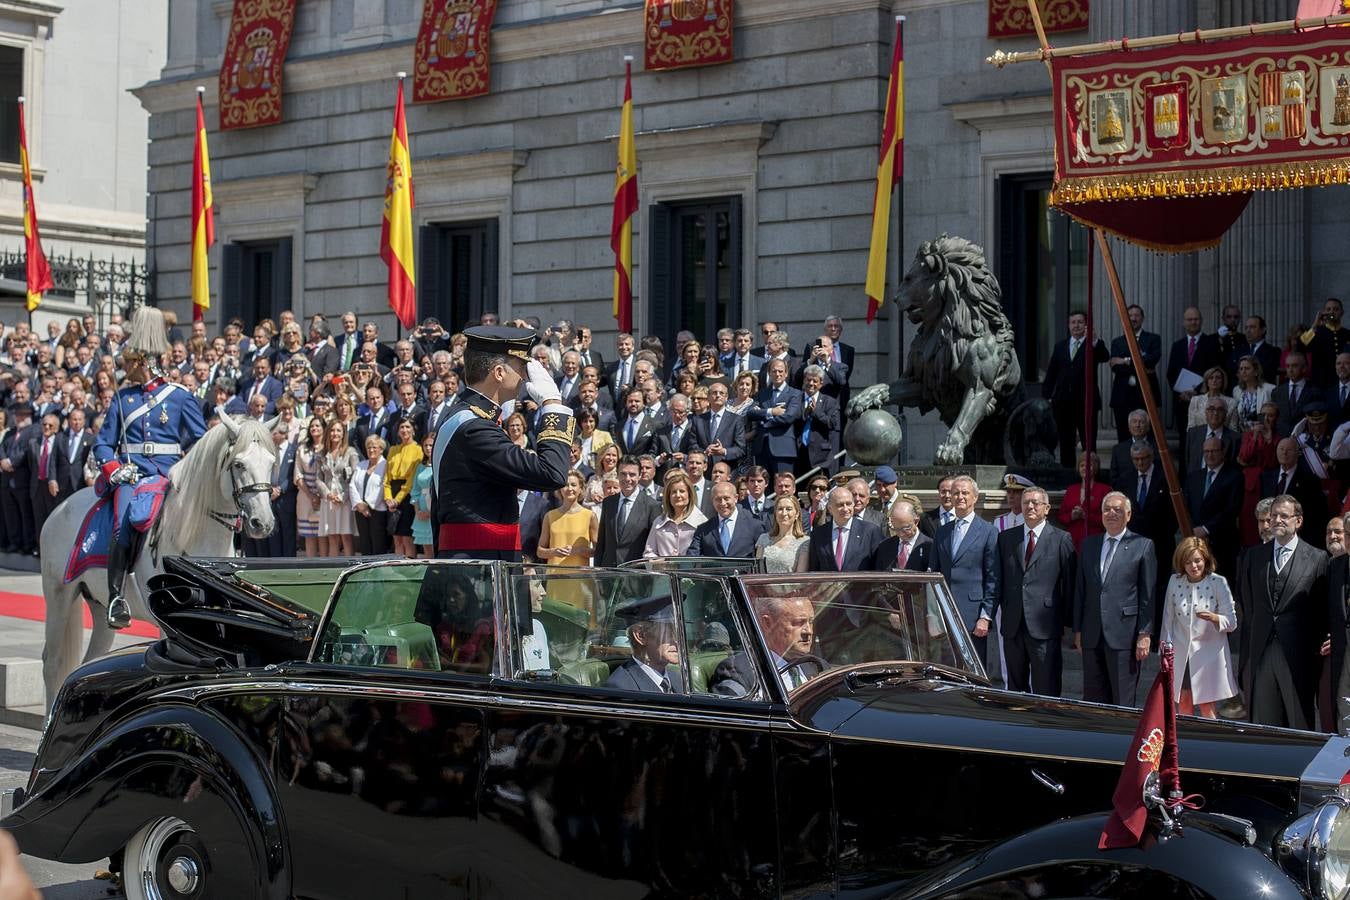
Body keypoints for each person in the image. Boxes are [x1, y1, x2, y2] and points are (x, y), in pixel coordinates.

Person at [93, 306, 207, 628]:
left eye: (129, 363)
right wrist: (114, 468)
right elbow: (102, 443)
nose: (124, 369)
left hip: (169, 476)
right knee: (123, 521)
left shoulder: (180, 397)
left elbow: (200, 442)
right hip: (131, 474)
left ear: (142, 362)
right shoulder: (122, 398)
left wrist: (187, 470)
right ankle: (116, 597)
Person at [432, 326, 573, 560]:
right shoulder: (475, 428)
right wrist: (552, 404)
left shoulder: (461, 416)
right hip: (478, 571)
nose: (526, 376)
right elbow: (552, 473)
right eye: (521, 367)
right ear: (499, 373)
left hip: (471, 564)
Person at [1241, 495, 1329, 729]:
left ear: (1298, 521)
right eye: (1273, 516)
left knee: (1299, 721)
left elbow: (1321, 613)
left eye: (1284, 516)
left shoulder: (1318, 558)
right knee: (1263, 723)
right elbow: (1249, 608)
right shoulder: (1253, 556)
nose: (1277, 520)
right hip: (1262, 651)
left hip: (1299, 654)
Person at [1073, 492, 1155, 706]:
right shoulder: (1089, 545)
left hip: (1124, 634)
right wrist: (1078, 629)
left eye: (1117, 509)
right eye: (1106, 509)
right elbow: (1081, 590)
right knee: (1092, 699)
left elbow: (1148, 594)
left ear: (1128, 515)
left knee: (1122, 698)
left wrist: (1144, 633)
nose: (1111, 513)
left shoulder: (1143, 545)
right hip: (1092, 633)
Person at [997, 485, 1075, 696]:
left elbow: (1069, 584)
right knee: (1015, 688)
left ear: (1047, 508)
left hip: (1045, 625)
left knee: (1046, 685)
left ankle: (1046, 725)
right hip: (1013, 624)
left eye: (1035, 502)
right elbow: (999, 579)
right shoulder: (1006, 538)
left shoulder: (1061, 539)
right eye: (1025, 502)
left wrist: (1069, 624)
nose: (1030, 506)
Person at [1162, 537, 1239, 718]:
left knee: (1207, 706)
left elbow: (1232, 623)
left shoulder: (1218, 582)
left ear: (1205, 559)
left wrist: (1214, 618)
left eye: (1197, 561)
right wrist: (1165, 650)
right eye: (1188, 562)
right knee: (1184, 701)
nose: (1193, 566)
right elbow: (1167, 619)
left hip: (1208, 655)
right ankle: (1185, 743)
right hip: (1182, 655)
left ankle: (1210, 743)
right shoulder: (1175, 581)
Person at [930, 475, 1000, 657]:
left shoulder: (988, 531)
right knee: (948, 669)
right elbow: (933, 574)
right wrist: (932, 614)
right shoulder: (942, 531)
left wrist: (985, 617)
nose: (960, 497)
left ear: (975, 497)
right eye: (956, 493)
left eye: (965, 493)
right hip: (944, 614)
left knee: (974, 671)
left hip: (973, 616)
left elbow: (993, 578)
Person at [711, 594, 823, 697]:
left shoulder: (817, 665)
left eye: (811, 622)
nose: (809, 631)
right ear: (768, 623)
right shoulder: (739, 673)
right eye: (798, 622)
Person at [1041, 310, 1108, 469]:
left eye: (1080, 322)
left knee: (1088, 443)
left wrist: (1094, 340)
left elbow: (1104, 356)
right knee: (1066, 442)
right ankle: (1068, 475)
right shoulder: (1060, 346)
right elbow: (1051, 373)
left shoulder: (1093, 344)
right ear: (1068, 325)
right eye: (1073, 322)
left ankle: (1090, 475)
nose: (1076, 325)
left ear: (1086, 325)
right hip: (1063, 404)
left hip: (1086, 403)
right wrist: (1047, 397)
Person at [1167, 307, 1221, 463]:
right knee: (1184, 441)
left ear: (1201, 321)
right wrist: (1181, 392)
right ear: (1184, 322)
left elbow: (1214, 370)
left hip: (1204, 400)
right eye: (1189, 319)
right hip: (1182, 402)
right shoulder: (1177, 345)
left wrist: (1197, 391)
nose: (1193, 322)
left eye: (1196, 319)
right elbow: (1171, 373)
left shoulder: (1211, 343)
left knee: (1203, 440)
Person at [604, 594, 685, 693]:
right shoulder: (622, 687)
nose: (677, 640)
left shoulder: (677, 679)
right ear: (641, 636)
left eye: (677, 632)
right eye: (667, 632)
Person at [1107, 304, 1162, 441]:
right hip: (1122, 396)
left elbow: (1152, 360)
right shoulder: (1117, 342)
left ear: (1142, 318)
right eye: (1130, 316)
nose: (1133, 318)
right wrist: (1140, 361)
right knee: (1123, 436)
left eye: (1137, 315)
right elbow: (1115, 367)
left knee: (1149, 435)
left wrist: (1126, 360)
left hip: (1146, 393)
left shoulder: (1153, 339)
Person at [596, 456, 660, 565]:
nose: (627, 479)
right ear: (617, 474)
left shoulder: (652, 506)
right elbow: (602, 542)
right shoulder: (608, 503)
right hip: (608, 573)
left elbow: (654, 546)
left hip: (635, 573)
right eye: (623, 474)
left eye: (632, 474)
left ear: (639, 476)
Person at [807, 486, 883, 572]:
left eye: (849, 504)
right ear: (830, 509)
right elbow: (814, 569)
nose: (845, 509)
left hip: (860, 585)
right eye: (840, 505)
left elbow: (878, 567)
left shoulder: (870, 531)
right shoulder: (818, 534)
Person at [747, 358, 802, 474]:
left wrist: (763, 420)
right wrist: (771, 412)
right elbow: (751, 413)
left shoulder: (795, 394)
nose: (777, 374)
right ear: (769, 373)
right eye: (774, 371)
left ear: (786, 373)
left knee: (783, 486)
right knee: (763, 487)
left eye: (781, 371)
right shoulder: (762, 393)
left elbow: (789, 417)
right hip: (762, 448)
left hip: (783, 448)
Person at [1238, 401, 1281, 546]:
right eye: (1264, 415)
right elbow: (1244, 457)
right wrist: (1255, 436)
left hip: (1270, 483)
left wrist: (1268, 438)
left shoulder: (1278, 438)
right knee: (1249, 523)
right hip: (1251, 485)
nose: (1267, 419)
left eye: (1271, 416)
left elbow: (1273, 462)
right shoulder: (1249, 435)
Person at [687, 481, 765, 558]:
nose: (723, 503)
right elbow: (692, 558)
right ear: (712, 501)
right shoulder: (703, 530)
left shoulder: (754, 525)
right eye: (718, 499)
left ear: (736, 498)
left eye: (726, 498)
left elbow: (761, 558)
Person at [643, 469, 707, 558]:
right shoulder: (658, 522)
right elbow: (649, 552)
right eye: (673, 492)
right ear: (668, 496)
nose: (678, 495)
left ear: (690, 494)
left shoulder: (702, 522)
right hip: (663, 571)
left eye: (682, 491)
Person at [318, 418, 358, 557]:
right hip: (328, 500)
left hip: (344, 501)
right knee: (332, 537)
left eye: (338, 430)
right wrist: (327, 494)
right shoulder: (322, 453)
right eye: (333, 430)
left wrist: (342, 496)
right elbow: (318, 478)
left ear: (343, 433)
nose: (335, 433)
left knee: (346, 537)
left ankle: (350, 569)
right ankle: (333, 571)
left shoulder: (351, 452)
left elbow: (355, 477)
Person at [385, 418, 423, 558]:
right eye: (402, 427)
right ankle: (397, 568)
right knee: (397, 538)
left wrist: (397, 499)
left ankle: (410, 567)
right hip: (392, 496)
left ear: (413, 429)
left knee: (407, 537)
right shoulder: (393, 449)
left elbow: (411, 479)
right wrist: (389, 498)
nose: (404, 430)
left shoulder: (418, 450)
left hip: (407, 495)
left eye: (407, 427)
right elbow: (387, 478)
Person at [1057, 451, 1110, 551]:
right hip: (1072, 542)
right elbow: (1061, 516)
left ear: (1096, 468)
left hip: (1095, 541)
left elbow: (1108, 518)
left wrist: (1086, 516)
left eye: (1088, 465)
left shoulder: (1105, 490)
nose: (1084, 468)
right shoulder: (1071, 490)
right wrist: (1072, 516)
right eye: (1081, 465)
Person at [350, 435, 390, 556]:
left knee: (378, 544)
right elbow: (352, 485)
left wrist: (368, 505)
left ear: (381, 449)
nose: (371, 450)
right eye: (368, 447)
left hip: (377, 510)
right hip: (360, 511)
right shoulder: (361, 465)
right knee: (364, 544)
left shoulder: (386, 465)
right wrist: (359, 504)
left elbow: (383, 486)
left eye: (374, 447)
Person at [871, 499, 932, 572]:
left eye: (905, 528)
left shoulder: (930, 546)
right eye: (896, 529)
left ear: (916, 521)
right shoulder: (885, 546)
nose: (901, 533)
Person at [1302, 297, 1350, 388]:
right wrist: (1315, 325)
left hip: (1343, 382)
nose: (1332, 312)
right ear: (1324, 312)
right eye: (1328, 309)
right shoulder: (1317, 332)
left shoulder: (1347, 334)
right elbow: (1301, 346)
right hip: (1321, 382)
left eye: (1336, 309)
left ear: (1342, 313)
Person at [756, 494, 810, 573]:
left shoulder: (804, 542)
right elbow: (757, 573)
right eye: (780, 509)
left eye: (788, 509)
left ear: (797, 514)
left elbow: (800, 577)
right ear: (775, 513)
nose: (784, 513)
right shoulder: (763, 539)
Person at [1272, 351, 1321, 436]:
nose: (1290, 370)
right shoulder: (1277, 392)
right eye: (1288, 366)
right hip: (1281, 440)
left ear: (1304, 368)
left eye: (1294, 366)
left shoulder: (1314, 392)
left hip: (1304, 440)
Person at [295, 416, 324, 557]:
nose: (314, 429)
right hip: (305, 496)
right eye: (312, 426)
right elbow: (298, 475)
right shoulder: (302, 449)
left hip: (324, 496)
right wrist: (311, 495)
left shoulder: (328, 447)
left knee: (324, 535)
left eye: (318, 426)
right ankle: (311, 566)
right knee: (309, 536)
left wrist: (320, 495)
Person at [1232, 355, 1274, 433]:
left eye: (1247, 368)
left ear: (1256, 372)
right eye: (1241, 369)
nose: (1243, 371)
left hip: (1262, 433)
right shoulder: (1236, 390)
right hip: (1242, 435)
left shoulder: (1269, 389)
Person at [411, 432, 436, 557]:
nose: (428, 448)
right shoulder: (420, 467)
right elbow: (415, 491)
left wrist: (431, 513)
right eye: (425, 445)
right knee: (427, 549)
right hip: (421, 511)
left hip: (435, 511)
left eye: (431, 445)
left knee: (436, 546)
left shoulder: (440, 465)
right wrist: (418, 512)